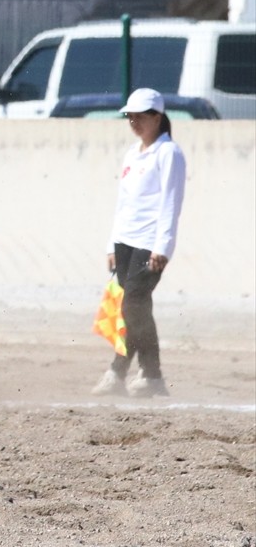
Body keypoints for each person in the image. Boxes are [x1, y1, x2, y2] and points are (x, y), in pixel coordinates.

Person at [91, 87, 187, 398]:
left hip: (150, 241)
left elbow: (171, 202)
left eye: (140, 116)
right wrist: (111, 243)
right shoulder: (133, 153)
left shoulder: (168, 153)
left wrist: (163, 246)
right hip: (125, 240)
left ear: (157, 117)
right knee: (131, 307)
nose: (133, 122)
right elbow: (124, 202)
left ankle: (137, 373)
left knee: (134, 303)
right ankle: (138, 375)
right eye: (130, 117)